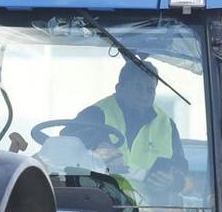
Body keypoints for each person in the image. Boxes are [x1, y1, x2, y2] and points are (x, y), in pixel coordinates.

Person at [71, 60, 189, 198]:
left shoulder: (167, 125)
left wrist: (172, 180)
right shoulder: (95, 114)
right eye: (137, 87)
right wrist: (97, 145)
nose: (144, 95)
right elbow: (67, 143)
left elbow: (181, 170)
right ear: (119, 87)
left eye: (150, 90)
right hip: (101, 204)